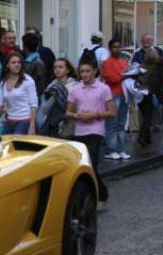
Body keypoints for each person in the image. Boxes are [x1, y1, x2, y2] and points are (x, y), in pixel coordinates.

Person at [66, 58, 114, 204]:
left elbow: (112, 112)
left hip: (96, 130)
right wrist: (76, 116)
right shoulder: (75, 89)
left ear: (94, 71)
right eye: (81, 72)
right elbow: (67, 112)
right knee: (82, 166)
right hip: (80, 130)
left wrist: (95, 114)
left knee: (92, 163)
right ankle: (95, 193)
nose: (84, 74)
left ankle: (98, 196)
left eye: (87, 71)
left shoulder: (103, 89)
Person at [0, 52, 38, 135]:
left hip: (24, 120)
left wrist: (32, 126)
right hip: (9, 120)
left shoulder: (28, 81)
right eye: (13, 62)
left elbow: (34, 104)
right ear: (7, 65)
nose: (17, 65)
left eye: (19, 62)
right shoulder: (4, 82)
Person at [101, 39, 130, 160]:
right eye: (114, 47)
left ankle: (121, 149)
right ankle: (111, 150)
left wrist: (125, 75)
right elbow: (112, 79)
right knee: (111, 125)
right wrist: (125, 75)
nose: (117, 49)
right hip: (112, 96)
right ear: (110, 48)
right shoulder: (107, 63)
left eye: (119, 47)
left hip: (124, 94)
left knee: (121, 124)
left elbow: (124, 76)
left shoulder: (124, 62)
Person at [37, 58, 77, 137]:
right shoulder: (51, 86)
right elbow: (44, 108)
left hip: (70, 124)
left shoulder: (75, 86)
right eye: (55, 67)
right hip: (53, 124)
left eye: (60, 67)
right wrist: (54, 96)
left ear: (67, 70)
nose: (57, 70)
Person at [22, 32, 46, 97]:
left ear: (25, 46)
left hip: (33, 97)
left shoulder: (36, 62)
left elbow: (40, 85)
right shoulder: (29, 61)